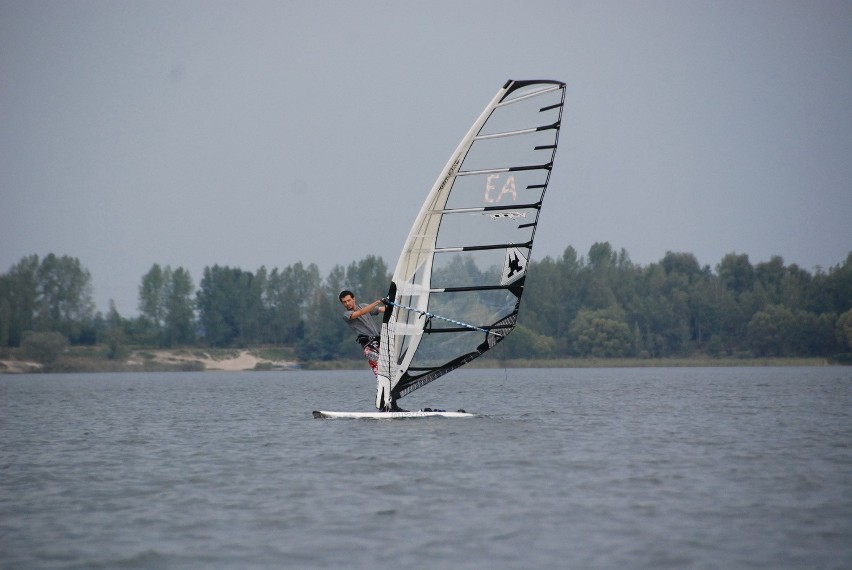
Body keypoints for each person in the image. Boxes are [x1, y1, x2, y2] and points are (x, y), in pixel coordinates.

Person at [338, 290, 404, 411]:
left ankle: (393, 406)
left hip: (380, 342)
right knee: (381, 374)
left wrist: (394, 306)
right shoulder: (346, 315)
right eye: (344, 302)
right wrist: (377, 301)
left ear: (354, 299)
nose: (347, 303)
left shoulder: (363, 305)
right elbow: (361, 312)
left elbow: (380, 310)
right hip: (369, 346)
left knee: (390, 373)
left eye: (348, 300)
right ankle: (382, 405)